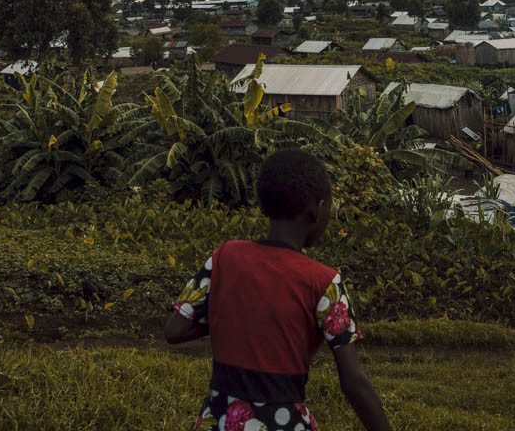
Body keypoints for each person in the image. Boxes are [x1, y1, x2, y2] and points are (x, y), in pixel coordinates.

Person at [165, 149, 391, 431]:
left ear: (263, 204)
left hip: (219, 421)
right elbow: (354, 382)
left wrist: (242, 313)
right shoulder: (323, 282)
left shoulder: (224, 257)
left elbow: (174, 330)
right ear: (317, 209)